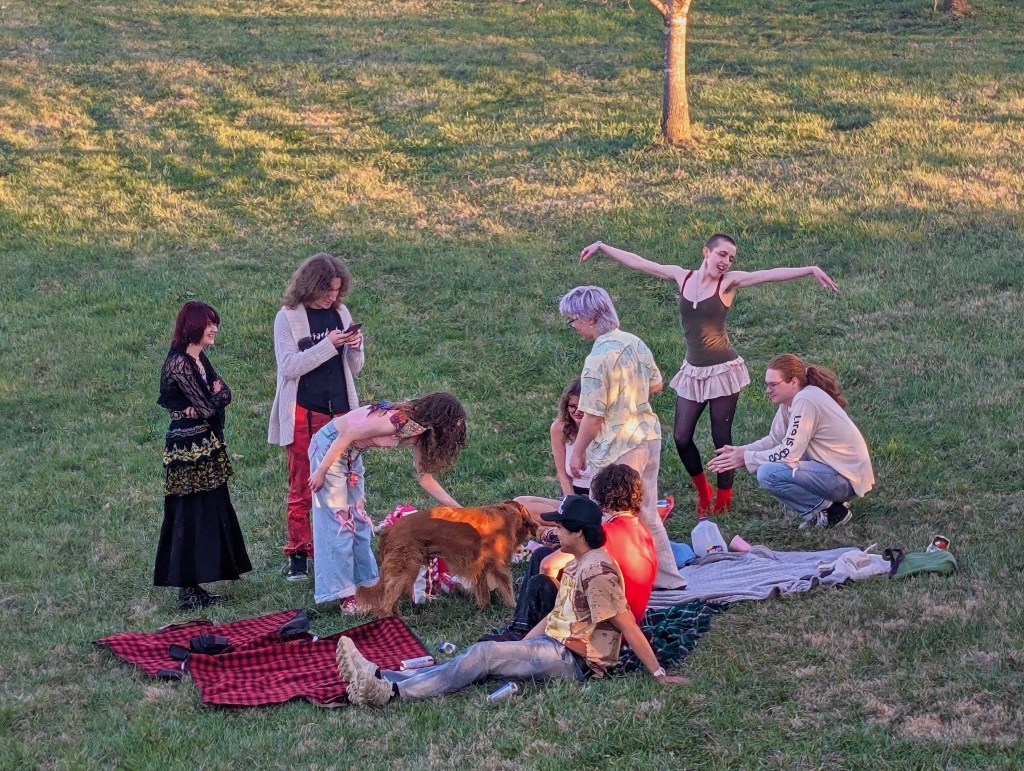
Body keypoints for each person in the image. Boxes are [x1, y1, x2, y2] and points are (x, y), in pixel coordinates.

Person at [337, 495, 688, 705]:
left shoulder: (598, 571)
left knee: (483, 654)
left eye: (561, 527)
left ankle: (391, 692)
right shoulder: (578, 562)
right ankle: (382, 675)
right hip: (553, 645)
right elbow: (557, 615)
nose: (553, 531)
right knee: (484, 654)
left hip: (572, 661)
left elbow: (627, 624)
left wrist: (658, 673)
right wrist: (521, 644)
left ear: (579, 533)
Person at [579, 237, 838, 515]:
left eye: (731, 258)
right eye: (722, 254)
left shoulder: (727, 283)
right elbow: (641, 263)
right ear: (706, 252)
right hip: (693, 371)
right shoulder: (682, 276)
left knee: (721, 439)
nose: (726, 262)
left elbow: (767, 274)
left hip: (723, 370)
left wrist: (809, 269)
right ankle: (704, 491)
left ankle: (724, 497)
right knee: (681, 437)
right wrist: (602, 247)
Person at [559, 285, 684, 590]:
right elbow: (656, 384)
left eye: (572, 320)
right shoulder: (633, 341)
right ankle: (669, 578)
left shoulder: (597, 359)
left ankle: (607, 580)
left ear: (589, 318)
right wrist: (629, 390)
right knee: (647, 510)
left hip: (618, 446)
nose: (573, 327)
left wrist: (578, 453)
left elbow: (593, 415)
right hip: (647, 436)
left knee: (607, 513)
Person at [307, 392, 467, 612]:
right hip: (331, 449)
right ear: (440, 418)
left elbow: (424, 478)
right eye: (452, 426)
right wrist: (321, 471)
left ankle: (366, 585)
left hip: (351, 455)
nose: (452, 432)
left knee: (359, 521)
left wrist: (459, 509)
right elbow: (346, 434)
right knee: (339, 523)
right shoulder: (397, 421)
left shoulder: (418, 432)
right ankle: (344, 594)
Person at [268, 253, 364, 582]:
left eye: (337, 290)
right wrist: (328, 345)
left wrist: (355, 346)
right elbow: (288, 367)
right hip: (304, 413)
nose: (332, 297)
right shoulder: (288, 317)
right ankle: (298, 553)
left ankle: (340, 546)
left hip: (340, 411)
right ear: (310, 285)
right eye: (326, 290)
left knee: (346, 481)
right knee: (302, 485)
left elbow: (354, 368)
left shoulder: (341, 313)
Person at [154, 302, 252, 611]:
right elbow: (211, 404)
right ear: (193, 327)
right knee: (188, 511)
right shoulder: (179, 364)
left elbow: (223, 396)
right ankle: (187, 590)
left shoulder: (199, 358)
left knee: (209, 509)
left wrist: (213, 397)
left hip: (204, 444)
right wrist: (213, 396)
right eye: (209, 324)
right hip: (187, 449)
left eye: (215, 323)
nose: (214, 329)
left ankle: (197, 584)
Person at [707, 354, 874, 528]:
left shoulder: (805, 400)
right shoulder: (791, 401)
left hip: (845, 480)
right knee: (767, 465)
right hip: (834, 471)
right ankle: (829, 507)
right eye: (766, 385)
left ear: (793, 382)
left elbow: (788, 454)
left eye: (773, 385)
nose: (768, 390)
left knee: (768, 473)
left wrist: (747, 458)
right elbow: (775, 440)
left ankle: (832, 511)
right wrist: (742, 451)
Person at [500, 465, 658, 640]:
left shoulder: (605, 534)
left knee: (541, 574)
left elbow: (549, 566)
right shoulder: (642, 530)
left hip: (607, 629)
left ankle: (522, 629)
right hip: (632, 618)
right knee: (545, 554)